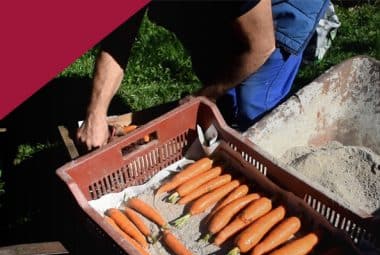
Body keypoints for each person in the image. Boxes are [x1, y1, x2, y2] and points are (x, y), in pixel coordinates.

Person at [77, 0, 331, 150]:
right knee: (221, 90)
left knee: (254, 109)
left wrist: (203, 95)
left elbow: (260, 47)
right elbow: (117, 42)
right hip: (226, 13)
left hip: (279, 13)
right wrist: (95, 114)